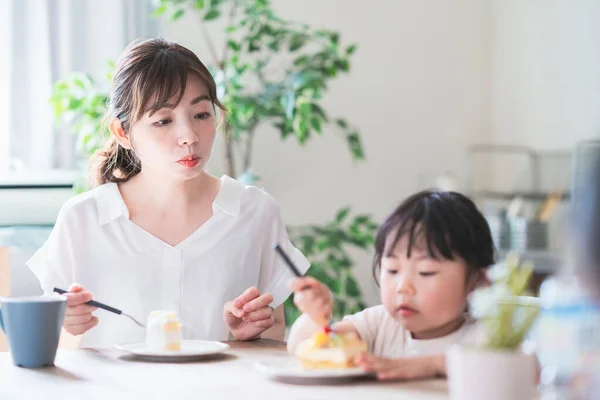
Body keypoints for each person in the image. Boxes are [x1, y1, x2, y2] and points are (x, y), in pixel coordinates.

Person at [28, 38, 309, 348]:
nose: (189, 136)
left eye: (201, 114)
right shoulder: (83, 218)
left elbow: (274, 331)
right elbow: (54, 346)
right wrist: (68, 323)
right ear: (123, 133)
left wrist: (248, 333)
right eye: (163, 121)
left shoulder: (256, 212)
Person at [287, 190, 494, 380]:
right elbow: (299, 346)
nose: (403, 287)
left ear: (476, 281)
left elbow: (516, 371)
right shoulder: (378, 324)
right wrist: (316, 317)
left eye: (426, 272)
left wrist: (433, 364)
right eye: (393, 270)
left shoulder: (488, 335)